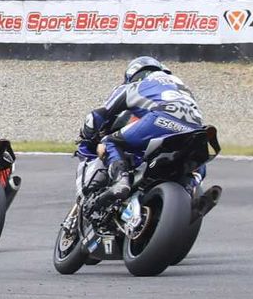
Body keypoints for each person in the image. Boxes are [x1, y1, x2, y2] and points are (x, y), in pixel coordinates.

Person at [74, 56, 206, 216]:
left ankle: (121, 181)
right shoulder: (182, 87)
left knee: (110, 141)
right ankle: (193, 190)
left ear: (132, 74)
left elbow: (98, 115)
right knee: (196, 160)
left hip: (160, 120)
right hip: (195, 130)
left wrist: (86, 135)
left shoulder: (134, 86)